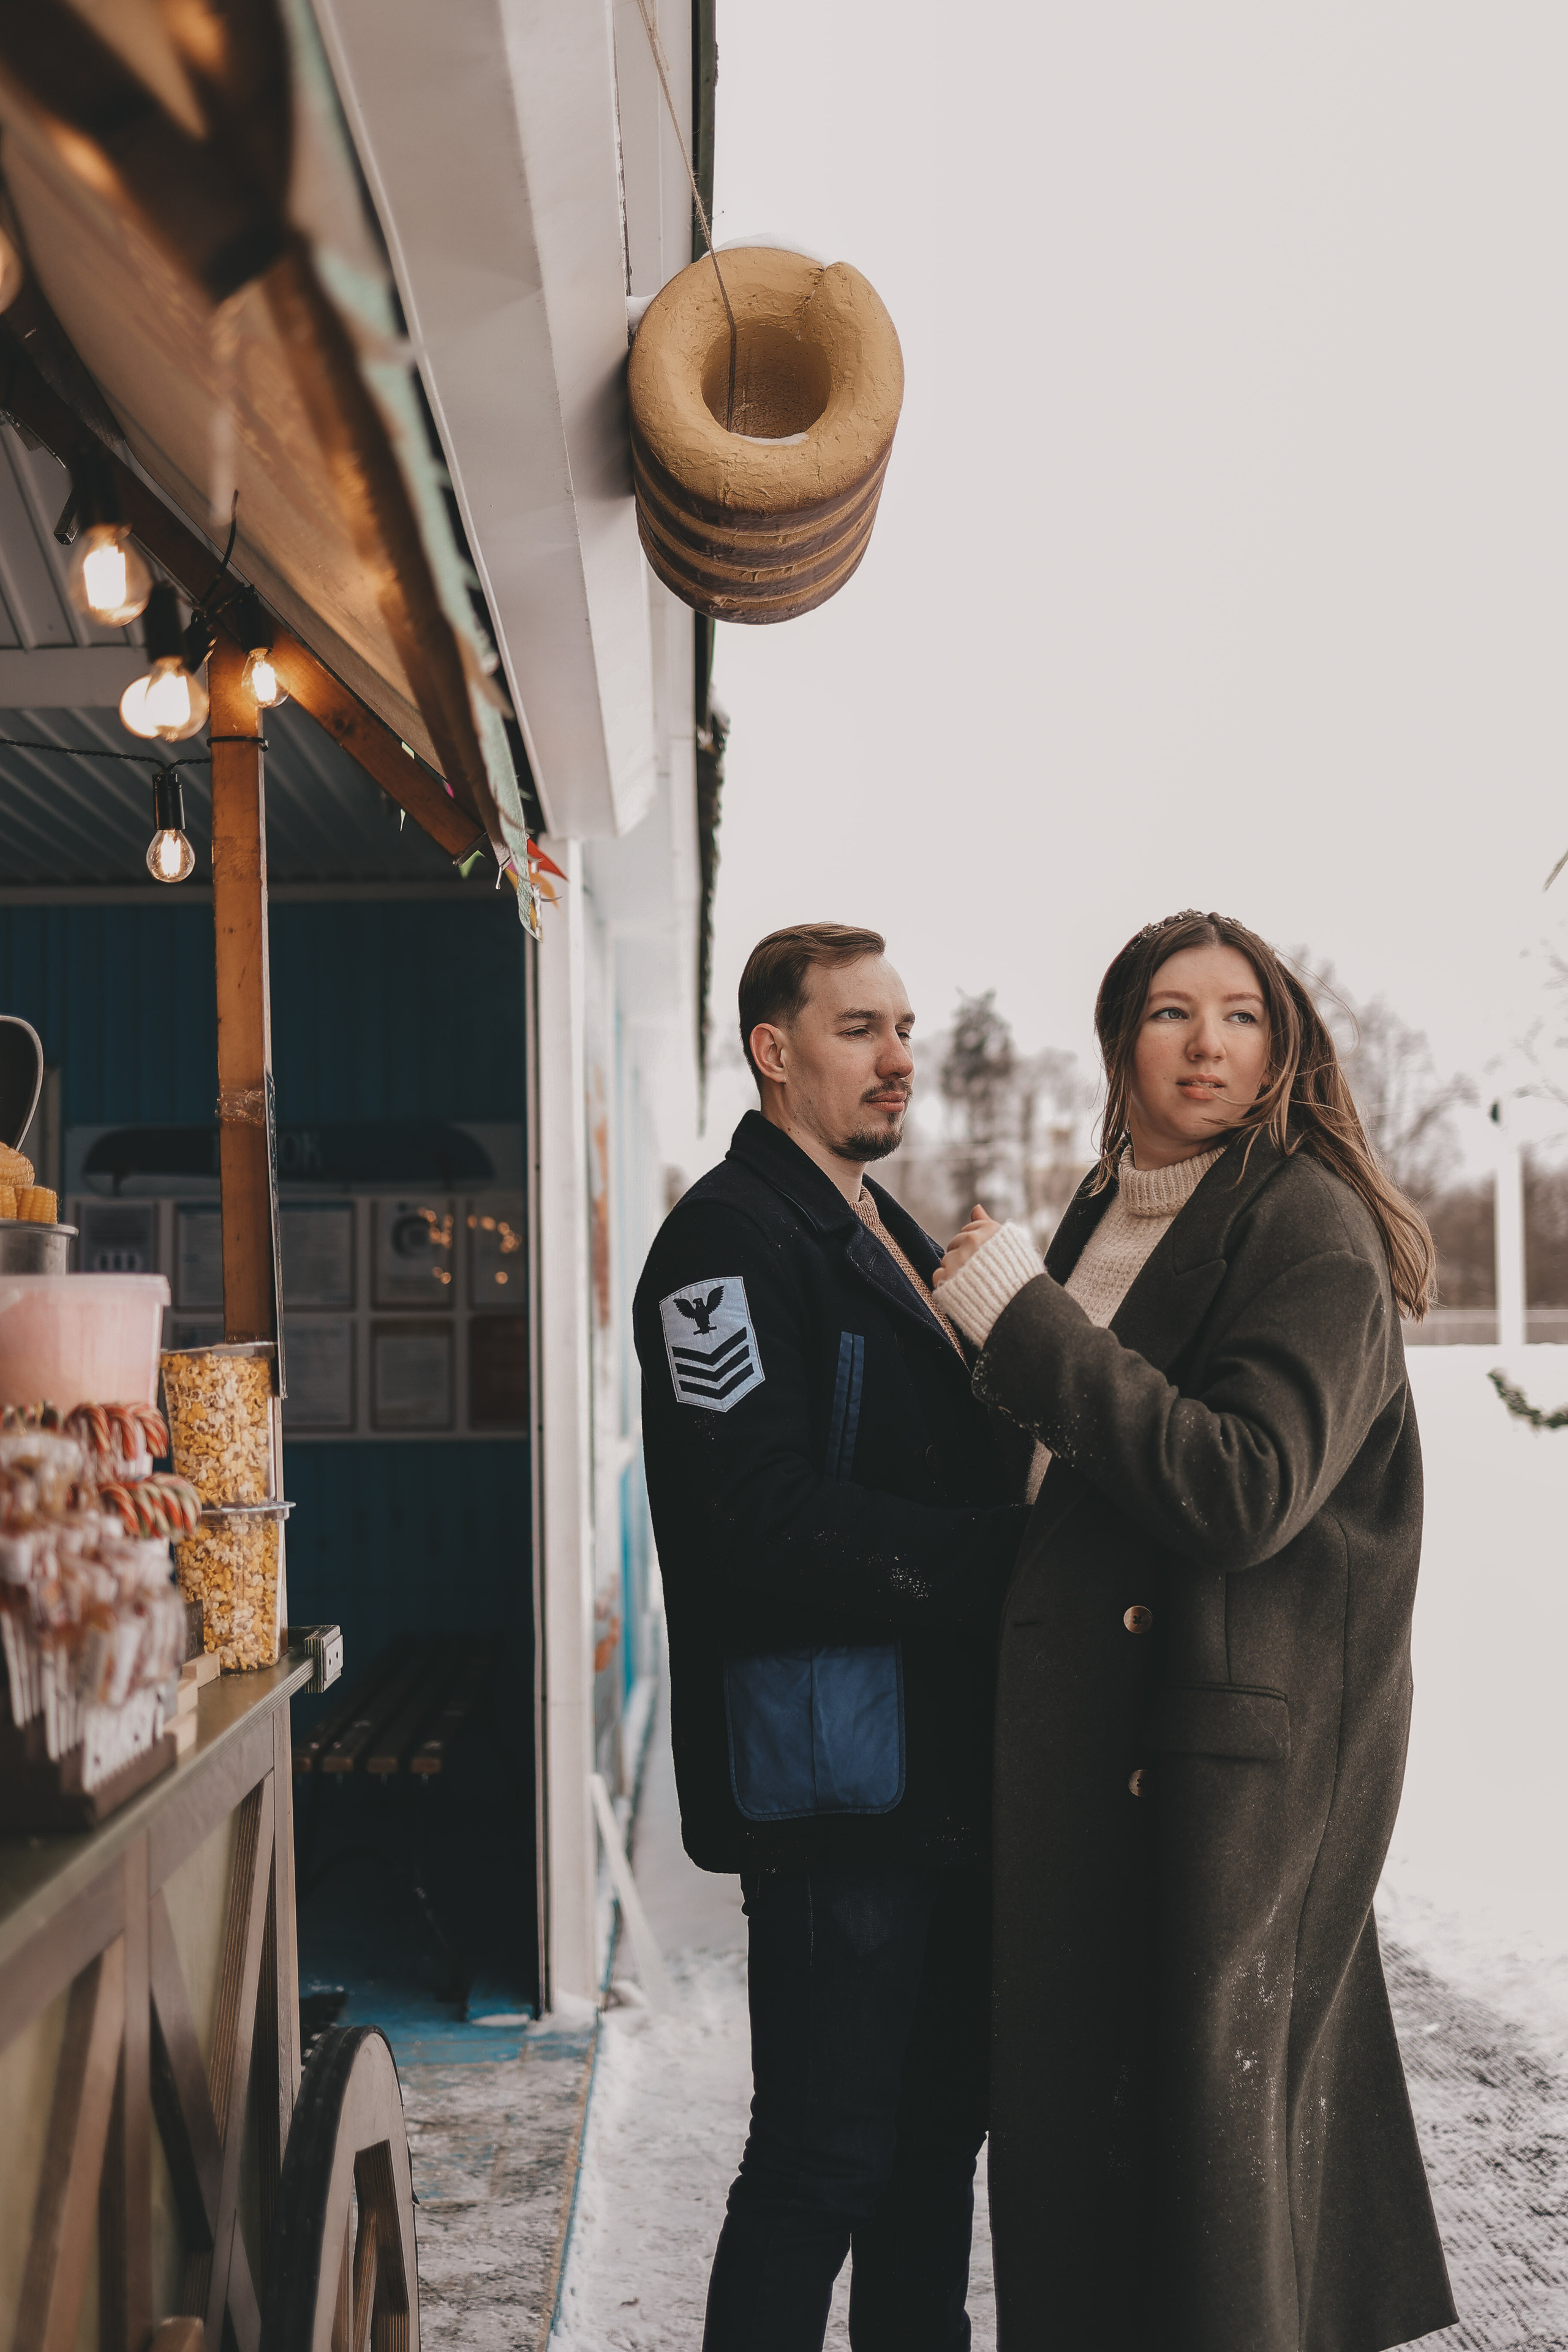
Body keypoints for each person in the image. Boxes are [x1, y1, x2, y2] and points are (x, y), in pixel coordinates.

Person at [932, 910, 1456, 2352]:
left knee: (1197, 2176)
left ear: (1279, 1041)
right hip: (1096, 1739)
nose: (1205, 1043)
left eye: (1237, 1013)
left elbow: (1245, 1488)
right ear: (1121, 1042)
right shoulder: (1108, 1206)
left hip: (1217, 1762)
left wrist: (1026, 1327)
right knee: (1095, 2152)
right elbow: (1072, 1472)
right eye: (1170, 1012)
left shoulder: (1304, 1222)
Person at [633, 922, 1028, 2352]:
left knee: (929, 2152)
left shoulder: (885, 1227)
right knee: (819, 2159)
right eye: (858, 1028)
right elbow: (755, 1517)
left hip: (933, 1781)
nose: (898, 1058)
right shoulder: (725, 1242)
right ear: (772, 1050)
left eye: (903, 1027)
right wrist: (1013, 1567)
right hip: (831, 1782)